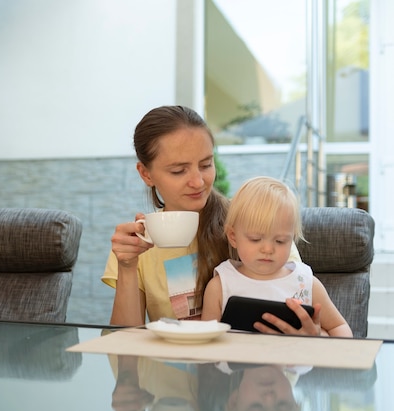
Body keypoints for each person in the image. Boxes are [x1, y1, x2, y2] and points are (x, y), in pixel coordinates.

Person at [102, 105, 232, 327]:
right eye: (178, 171)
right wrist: (127, 267)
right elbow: (125, 341)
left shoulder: (249, 220)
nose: (198, 182)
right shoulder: (138, 242)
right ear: (146, 174)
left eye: (206, 164)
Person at [201, 176, 352, 337]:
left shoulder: (306, 282)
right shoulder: (221, 285)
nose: (268, 249)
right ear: (233, 237)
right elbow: (204, 343)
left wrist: (318, 339)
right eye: (255, 239)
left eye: (280, 241)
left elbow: (340, 328)